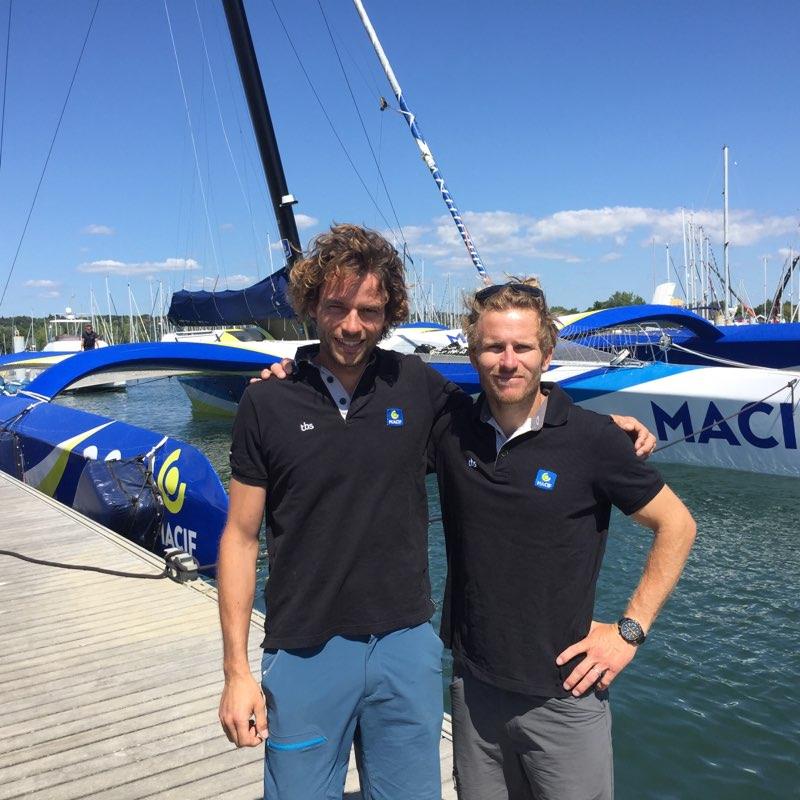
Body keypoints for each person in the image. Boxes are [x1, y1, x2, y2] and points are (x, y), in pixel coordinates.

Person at [218, 223, 656, 800]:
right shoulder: (266, 400)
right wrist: (236, 672)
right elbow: (241, 538)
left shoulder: (416, 384)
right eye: (336, 307)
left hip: (406, 643)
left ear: (389, 312)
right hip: (304, 649)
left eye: (369, 310)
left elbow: (507, 409)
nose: (352, 325)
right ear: (311, 305)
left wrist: (601, 430)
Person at [430, 280, 696, 800]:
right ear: (473, 353)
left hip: (565, 695)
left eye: (522, 347)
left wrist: (629, 632)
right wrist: (289, 374)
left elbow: (677, 525)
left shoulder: (593, 439)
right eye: (493, 347)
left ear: (547, 354)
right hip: (473, 687)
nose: (508, 361)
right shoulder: (451, 429)